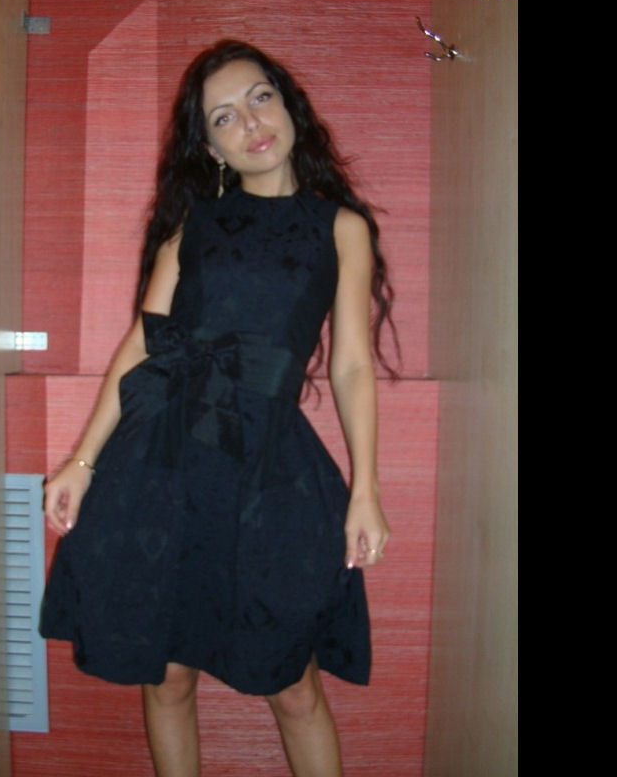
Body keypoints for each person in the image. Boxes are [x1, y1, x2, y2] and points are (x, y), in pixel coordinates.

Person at [40, 39, 399, 777]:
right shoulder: (192, 226)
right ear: (211, 148)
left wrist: (366, 489)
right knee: (169, 676)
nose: (251, 123)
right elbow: (143, 345)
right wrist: (81, 461)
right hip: (162, 460)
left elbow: (352, 365)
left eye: (260, 98)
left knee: (292, 684)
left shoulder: (341, 227)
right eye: (225, 117)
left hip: (269, 469)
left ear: (289, 104)